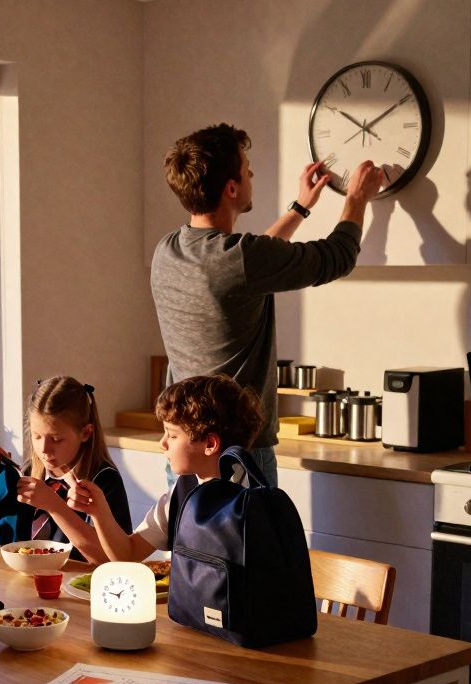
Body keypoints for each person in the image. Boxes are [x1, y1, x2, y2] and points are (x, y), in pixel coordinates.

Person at [151, 123, 384, 483]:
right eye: (246, 169)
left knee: (189, 540)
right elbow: (338, 256)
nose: (252, 174)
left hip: (182, 448)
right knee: (251, 541)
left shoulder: (167, 251)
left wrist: (300, 208)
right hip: (238, 454)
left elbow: (248, 266)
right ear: (231, 188)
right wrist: (357, 198)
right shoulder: (241, 259)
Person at [70, 374, 264, 562]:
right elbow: (128, 553)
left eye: (172, 435)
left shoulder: (252, 499)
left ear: (210, 444)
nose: (162, 443)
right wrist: (99, 511)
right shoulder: (181, 492)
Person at [0, 376, 132, 563]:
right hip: (18, 584)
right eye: (37, 436)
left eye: (56, 439)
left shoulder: (103, 481)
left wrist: (54, 506)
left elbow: (111, 560)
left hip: (74, 588)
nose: (44, 449)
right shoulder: (26, 472)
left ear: (86, 433)